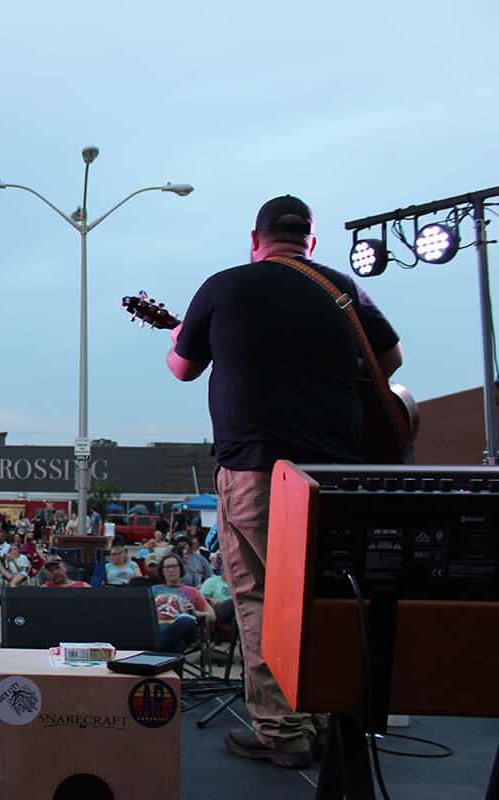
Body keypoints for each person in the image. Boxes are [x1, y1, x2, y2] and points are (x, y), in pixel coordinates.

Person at [166, 194, 402, 769]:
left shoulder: (224, 286)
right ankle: (324, 718)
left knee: (262, 600)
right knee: (319, 597)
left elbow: (183, 366)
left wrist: (183, 334)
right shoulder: (342, 290)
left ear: (256, 240)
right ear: (310, 244)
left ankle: (284, 733)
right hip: (338, 474)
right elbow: (391, 359)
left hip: (258, 468)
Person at [152, 552, 215, 653]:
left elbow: (212, 616)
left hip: (185, 626)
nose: (171, 570)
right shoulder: (154, 590)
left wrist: (196, 613)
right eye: (167, 567)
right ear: (162, 571)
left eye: (174, 566)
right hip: (160, 628)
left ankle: (158, 650)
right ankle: (172, 666)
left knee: (184, 620)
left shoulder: (192, 591)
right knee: (178, 642)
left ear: (180, 569)